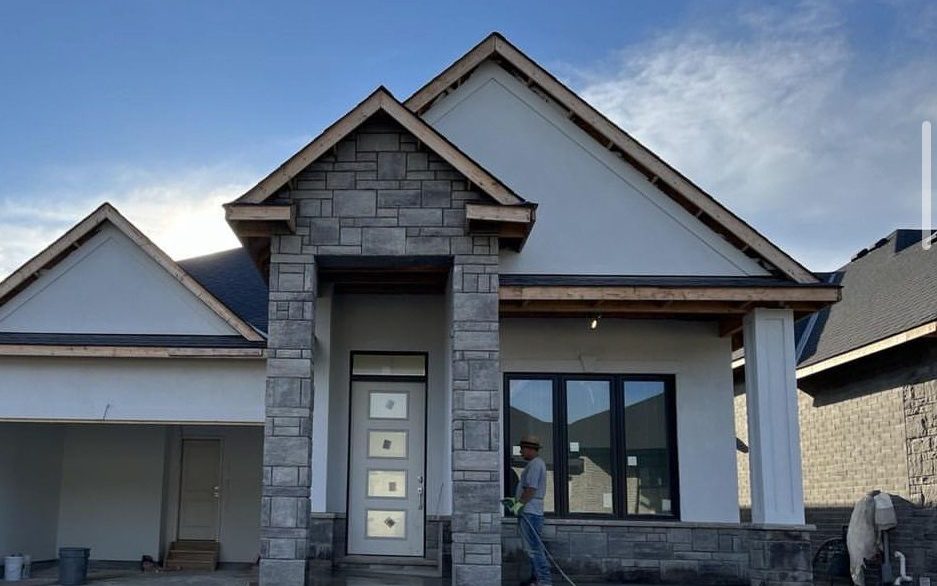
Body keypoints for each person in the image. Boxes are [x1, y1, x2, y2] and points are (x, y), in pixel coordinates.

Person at [507, 434, 551, 586]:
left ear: (530, 449)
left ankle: (544, 581)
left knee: (534, 548)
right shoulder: (534, 464)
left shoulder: (535, 465)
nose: (520, 452)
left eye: (522, 449)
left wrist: (518, 505)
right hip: (530, 510)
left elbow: (531, 489)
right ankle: (536, 579)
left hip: (530, 512)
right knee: (532, 548)